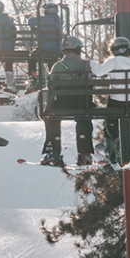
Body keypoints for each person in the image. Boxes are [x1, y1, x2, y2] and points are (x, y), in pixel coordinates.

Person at [40, 36, 95, 166]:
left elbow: (51, 88)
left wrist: (48, 107)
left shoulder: (58, 66)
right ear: (77, 49)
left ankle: (53, 153)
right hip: (83, 103)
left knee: (52, 120)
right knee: (84, 119)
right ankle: (85, 153)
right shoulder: (87, 64)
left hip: (63, 103)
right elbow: (92, 84)